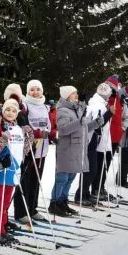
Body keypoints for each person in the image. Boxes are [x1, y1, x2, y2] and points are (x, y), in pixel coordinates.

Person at [49, 86, 104, 216]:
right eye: (73, 93)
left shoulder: (77, 109)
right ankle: (54, 203)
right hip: (67, 148)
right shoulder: (63, 110)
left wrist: (96, 123)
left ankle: (63, 201)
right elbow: (62, 130)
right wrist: (79, 122)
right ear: (67, 96)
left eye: (76, 93)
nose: (76, 95)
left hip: (78, 148)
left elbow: (83, 127)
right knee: (62, 177)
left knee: (71, 176)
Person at [0, 99, 31, 244]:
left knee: (5, 203)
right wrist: (2, 140)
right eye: (7, 110)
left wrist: (29, 136)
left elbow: (24, 150)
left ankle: (1, 229)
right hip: (2, 170)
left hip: (14, 171)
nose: (10, 113)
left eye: (13, 110)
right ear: (3, 111)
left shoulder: (18, 129)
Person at [15, 80, 51, 222]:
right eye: (32, 90)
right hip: (29, 149)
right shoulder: (24, 106)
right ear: (28, 92)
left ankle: (32, 208)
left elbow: (48, 126)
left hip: (42, 149)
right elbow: (23, 126)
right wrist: (37, 133)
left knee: (36, 181)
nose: (35, 92)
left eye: (38, 89)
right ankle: (21, 211)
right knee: (25, 181)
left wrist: (52, 133)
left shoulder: (45, 107)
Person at [88, 82, 117, 200]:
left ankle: (99, 188)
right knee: (99, 166)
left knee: (103, 164)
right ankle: (96, 189)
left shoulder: (101, 103)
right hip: (99, 141)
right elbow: (98, 124)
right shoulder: (97, 105)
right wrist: (110, 113)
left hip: (103, 140)